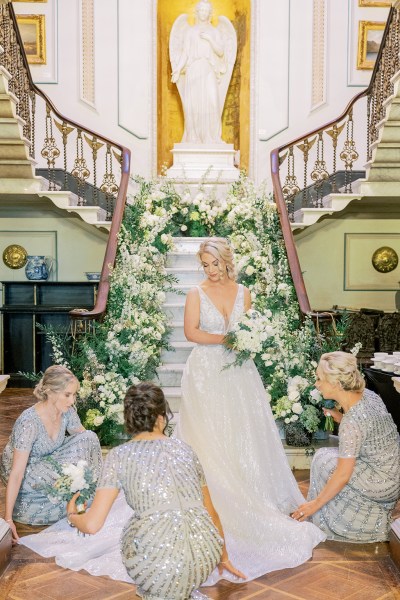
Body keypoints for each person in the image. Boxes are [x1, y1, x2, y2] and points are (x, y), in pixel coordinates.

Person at [173, 237, 326, 585]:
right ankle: (215, 500)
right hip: (206, 373)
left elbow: (253, 329)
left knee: (242, 433)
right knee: (210, 437)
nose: (210, 270)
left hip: (241, 372)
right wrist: (226, 340)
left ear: (227, 261)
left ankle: (248, 493)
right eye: (205, 264)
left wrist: (250, 340)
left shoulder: (244, 292)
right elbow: (191, 332)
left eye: (215, 263)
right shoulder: (195, 293)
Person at [64, 382, 243, 599]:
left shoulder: (120, 455)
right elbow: (212, 513)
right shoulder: (185, 450)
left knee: (135, 528)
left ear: (128, 418)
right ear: (162, 416)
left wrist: (73, 516)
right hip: (204, 556)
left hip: (157, 561)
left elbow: (92, 525)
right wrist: (223, 558)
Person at [292, 351, 400, 542]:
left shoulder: (352, 422)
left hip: (380, 483)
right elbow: (367, 432)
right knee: (325, 456)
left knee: (323, 462)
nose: (316, 384)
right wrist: (339, 417)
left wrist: (315, 505)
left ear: (334, 383)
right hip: (393, 476)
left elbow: (343, 475)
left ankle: (362, 520)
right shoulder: (369, 395)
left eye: (319, 378)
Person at [0, 365, 101, 542]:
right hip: (29, 476)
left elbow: (85, 442)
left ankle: (82, 493)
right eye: (67, 395)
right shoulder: (29, 422)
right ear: (50, 392)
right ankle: (66, 497)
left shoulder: (67, 411)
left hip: (52, 463)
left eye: (74, 394)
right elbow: (16, 473)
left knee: (90, 437)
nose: (72, 400)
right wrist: (8, 518)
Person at [171, 1, 226, 144]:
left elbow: (220, 52)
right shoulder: (190, 31)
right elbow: (185, 53)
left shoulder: (215, 31)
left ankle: (211, 137)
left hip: (208, 69)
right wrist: (177, 70)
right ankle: (193, 137)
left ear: (210, 13)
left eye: (206, 10)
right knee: (193, 104)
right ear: (197, 12)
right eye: (201, 10)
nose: (203, 12)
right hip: (193, 69)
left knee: (212, 102)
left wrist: (210, 39)